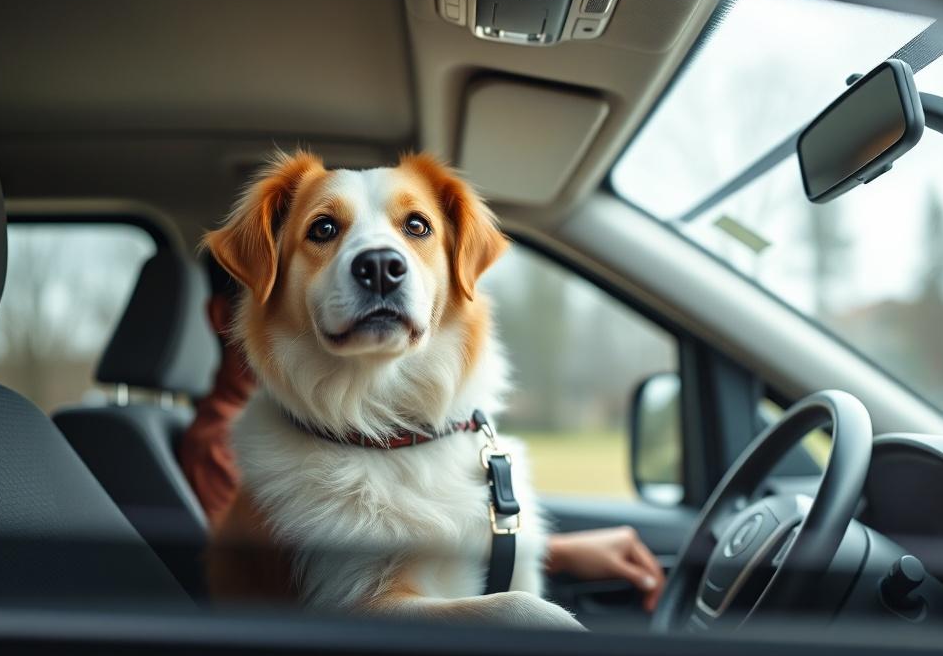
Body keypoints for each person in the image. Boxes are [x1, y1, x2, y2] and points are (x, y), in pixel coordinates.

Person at [178, 257, 665, 612]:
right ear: (224, 318)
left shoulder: (355, 425)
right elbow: (316, 570)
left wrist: (549, 551)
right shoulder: (224, 447)